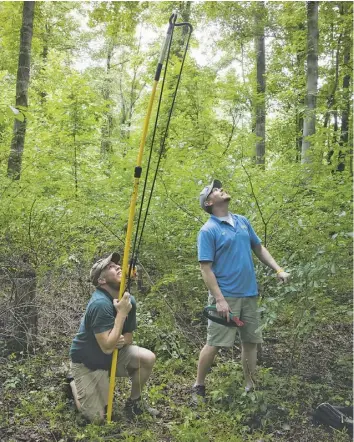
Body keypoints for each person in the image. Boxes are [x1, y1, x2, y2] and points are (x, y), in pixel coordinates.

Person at [192, 179, 290, 402]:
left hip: (249, 294)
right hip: (226, 296)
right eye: (215, 190)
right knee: (215, 342)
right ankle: (198, 386)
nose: (220, 189)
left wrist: (278, 270)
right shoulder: (208, 230)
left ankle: (250, 387)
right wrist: (219, 299)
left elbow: (258, 247)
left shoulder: (242, 221)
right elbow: (205, 269)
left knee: (250, 341)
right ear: (209, 202)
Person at [69, 252, 158, 422]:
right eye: (110, 267)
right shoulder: (100, 304)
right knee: (96, 418)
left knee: (147, 358)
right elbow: (107, 347)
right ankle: (74, 382)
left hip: (109, 359)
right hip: (87, 364)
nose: (118, 266)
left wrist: (124, 340)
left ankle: (134, 402)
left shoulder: (128, 299)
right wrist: (122, 313)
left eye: (117, 265)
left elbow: (129, 337)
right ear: (101, 281)